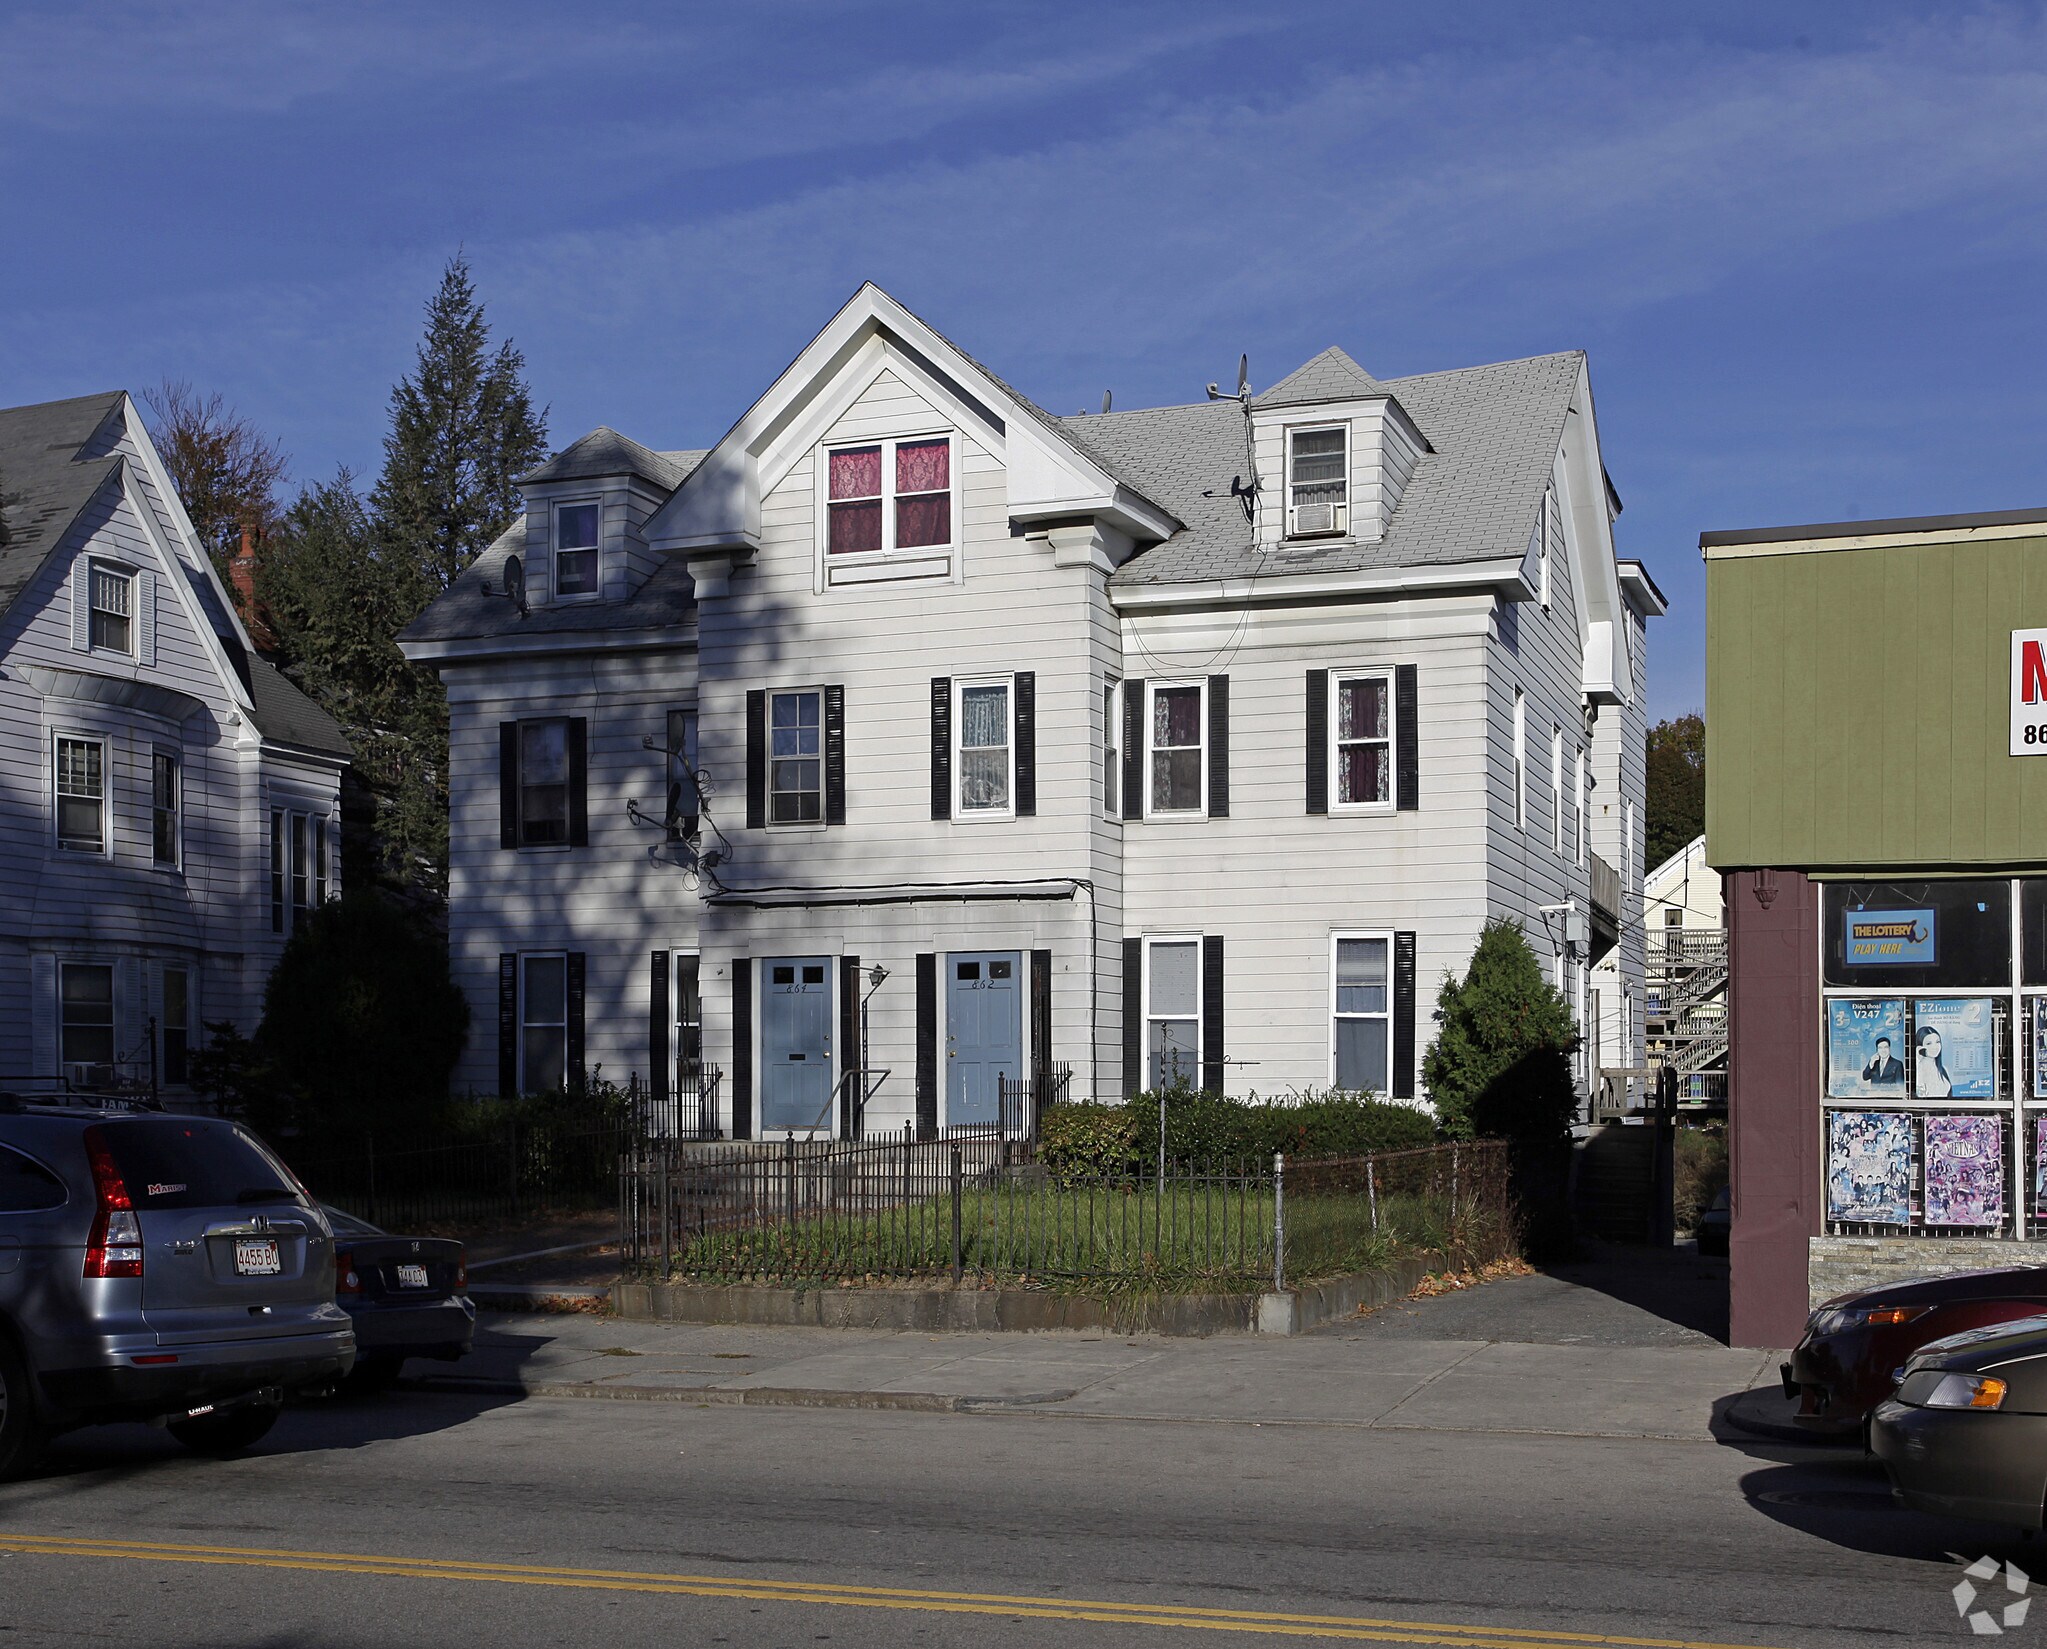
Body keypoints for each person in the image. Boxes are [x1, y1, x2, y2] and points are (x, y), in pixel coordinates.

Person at [1916, 1025, 1952, 1098]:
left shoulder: (1943, 1070)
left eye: (1937, 1042)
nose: (1935, 1047)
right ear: (1920, 1047)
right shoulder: (1919, 1070)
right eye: (1929, 1043)